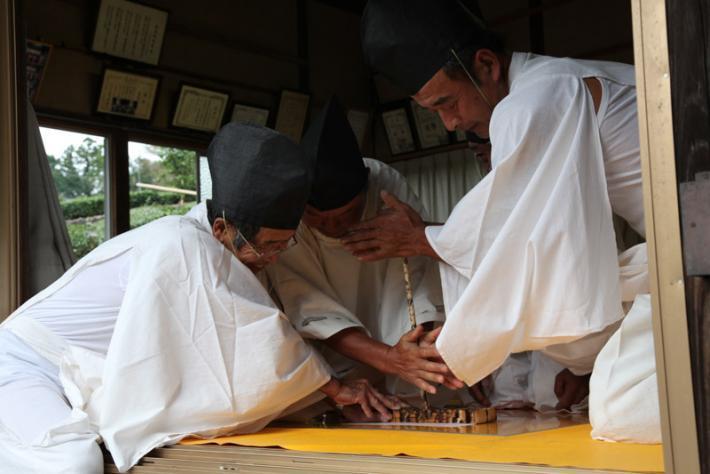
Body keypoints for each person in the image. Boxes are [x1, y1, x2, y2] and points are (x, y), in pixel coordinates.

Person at [0, 123, 396, 473]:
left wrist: (327, 390)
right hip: (24, 365)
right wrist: (337, 388)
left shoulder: (215, 246)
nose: (273, 259)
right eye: (268, 248)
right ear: (222, 227)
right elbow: (255, 339)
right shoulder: (179, 244)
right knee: (72, 464)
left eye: (284, 245)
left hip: (73, 374)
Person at [349, 0, 658, 439]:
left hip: (690, 256)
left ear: (487, 64)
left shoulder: (535, 100)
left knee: (620, 406)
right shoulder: (553, 80)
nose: (451, 122)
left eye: (448, 102)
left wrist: (423, 240)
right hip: (678, 255)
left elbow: (513, 233)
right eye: (434, 112)